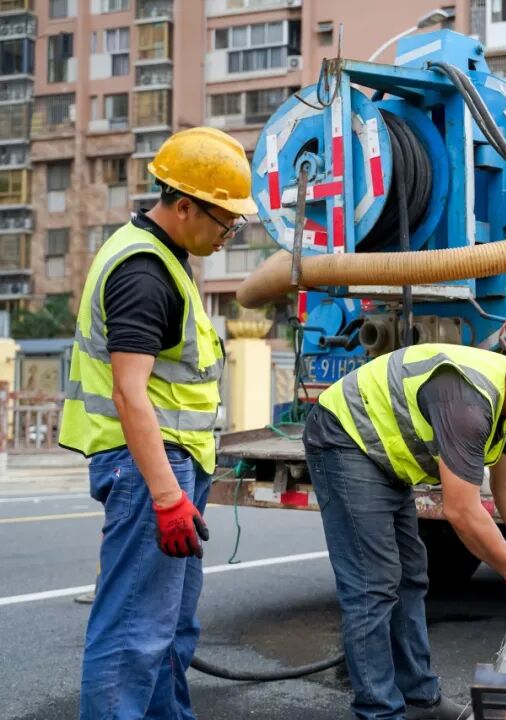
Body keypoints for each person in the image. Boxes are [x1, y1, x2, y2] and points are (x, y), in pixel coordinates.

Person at [59, 126, 255, 720]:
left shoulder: (167, 258)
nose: (229, 234)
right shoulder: (144, 272)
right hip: (149, 468)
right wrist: (168, 498)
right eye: (225, 222)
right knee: (135, 630)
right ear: (184, 205)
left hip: (168, 464)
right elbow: (129, 392)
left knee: (169, 627)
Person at [304, 340, 506, 720]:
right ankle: (378, 712)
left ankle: (419, 701)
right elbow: (462, 510)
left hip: (381, 455)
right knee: (373, 585)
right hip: (345, 440)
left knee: (410, 578)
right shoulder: (470, 401)